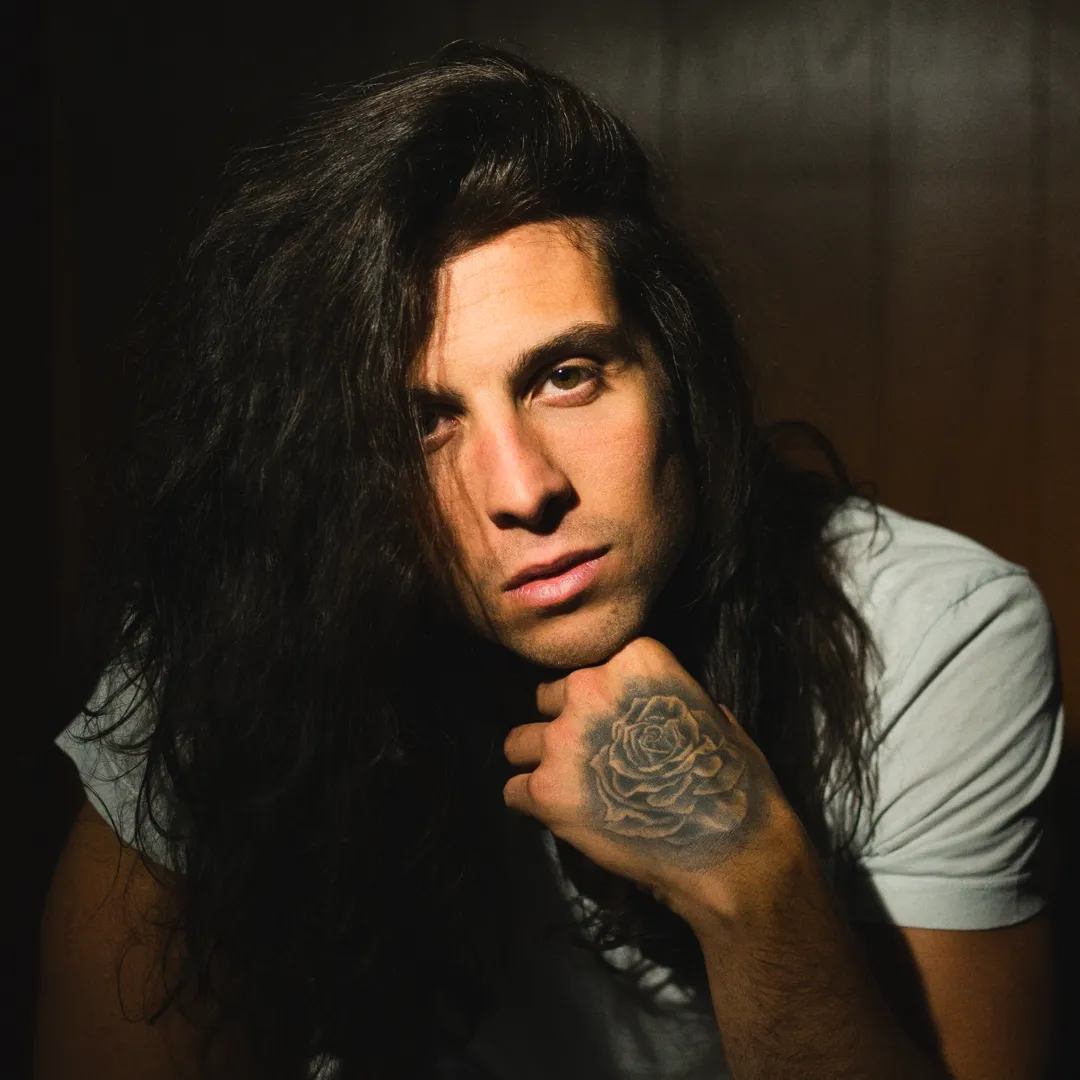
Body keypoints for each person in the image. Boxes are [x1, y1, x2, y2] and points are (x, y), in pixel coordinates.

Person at [40, 40, 1063, 1080]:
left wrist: (753, 881)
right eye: (423, 423)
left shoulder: (933, 631)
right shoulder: (239, 615)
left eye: (566, 375)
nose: (522, 489)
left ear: (678, 375)